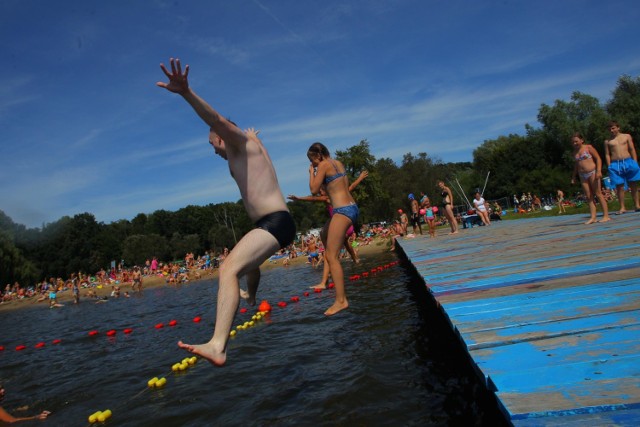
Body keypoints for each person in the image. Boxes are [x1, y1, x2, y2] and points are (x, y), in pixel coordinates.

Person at [157, 57, 296, 366]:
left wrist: (186, 93)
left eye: (213, 144)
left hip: (274, 222)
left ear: (223, 136)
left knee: (227, 269)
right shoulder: (251, 146)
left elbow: (216, 119)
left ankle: (218, 345)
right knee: (246, 264)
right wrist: (259, 139)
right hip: (275, 222)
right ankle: (250, 296)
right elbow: (267, 165)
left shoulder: (238, 143)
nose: (214, 150)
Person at [288, 170, 368, 289]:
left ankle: (330, 273)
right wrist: (360, 178)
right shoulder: (337, 195)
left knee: (332, 248)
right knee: (342, 243)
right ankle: (353, 259)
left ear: (325, 190)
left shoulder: (327, 198)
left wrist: (299, 198)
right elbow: (350, 187)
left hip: (345, 225)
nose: (319, 192)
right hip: (343, 224)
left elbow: (313, 198)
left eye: (321, 190)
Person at [307, 142, 358, 316]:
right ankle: (324, 281)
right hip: (351, 207)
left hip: (342, 211)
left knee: (331, 255)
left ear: (318, 155)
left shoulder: (322, 165)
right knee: (323, 233)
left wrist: (312, 173)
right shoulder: (338, 163)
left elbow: (314, 190)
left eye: (312, 160)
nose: (312, 164)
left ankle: (341, 300)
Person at [571, 132, 611, 224]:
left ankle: (606, 215)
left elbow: (598, 159)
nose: (575, 144)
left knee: (598, 193)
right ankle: (593, 217)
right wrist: (573, 177)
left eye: (576, 141)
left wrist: (599, 171)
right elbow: (576, 165)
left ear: (582, 140)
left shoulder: (588, 148)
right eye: (573, 142)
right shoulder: (574, 153)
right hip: (582, 175)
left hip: (592, 172)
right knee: (589, 196)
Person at [604, 121, 640, 214]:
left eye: (613, 128)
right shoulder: (608, 141)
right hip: (615, 164)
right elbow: (607, 154)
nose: (611, 130)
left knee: (633, 184)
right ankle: (622, 207)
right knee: (619, 186)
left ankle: (637, 205)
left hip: (628, 161)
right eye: (610, 129)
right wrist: (609, 166)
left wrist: (635, 161)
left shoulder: (626, 136)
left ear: (618, 128)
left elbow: (632, 149)